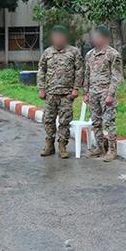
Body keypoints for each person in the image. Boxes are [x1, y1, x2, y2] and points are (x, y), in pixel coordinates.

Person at [37, 25, 83, 159]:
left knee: (64, 121)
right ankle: (49, 145)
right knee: (48, 119)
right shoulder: (47, 53)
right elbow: (41, 71)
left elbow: (79, 71)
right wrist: (41, 88)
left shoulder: (73, 52)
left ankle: (62, 146)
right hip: (51, 93)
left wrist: (76, 89)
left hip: (67, 94)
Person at [83, 25, 124, 161]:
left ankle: (112, 150)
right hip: (93, 93)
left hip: (106, 94)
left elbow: (116, 76)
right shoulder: (89, 55)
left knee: (109, 122)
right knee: (96, 121)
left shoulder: (113, 54)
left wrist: (110, 95)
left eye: (97, 36)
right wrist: (86, 92)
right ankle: (100, 147)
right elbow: (87, 74)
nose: (94, 39)